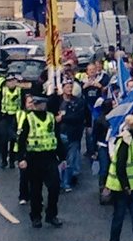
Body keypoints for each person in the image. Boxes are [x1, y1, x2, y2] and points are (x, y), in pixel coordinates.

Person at [16, 94, 63, 229]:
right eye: (37, 104)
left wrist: (62, 156)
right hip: (33, 158)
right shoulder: (28, 118)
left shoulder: (50, 118)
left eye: (42, 104)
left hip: (50, 158)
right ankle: (36, 217)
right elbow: (21, 140)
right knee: (35, 190)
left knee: (54, 187)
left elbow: (57, 136)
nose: (40, 106)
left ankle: (51, 215)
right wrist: (21, 159)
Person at [57, 82, 89, 193]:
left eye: (71, 87)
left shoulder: (78, 102)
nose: (69, 89)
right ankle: (59, 181)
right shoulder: (57, 100)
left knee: (70, 160)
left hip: (73, 135)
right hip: (59, 134)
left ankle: (66, 182)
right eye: (67, 87)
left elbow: (79, 117)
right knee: (60, 160)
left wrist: (63, 117)